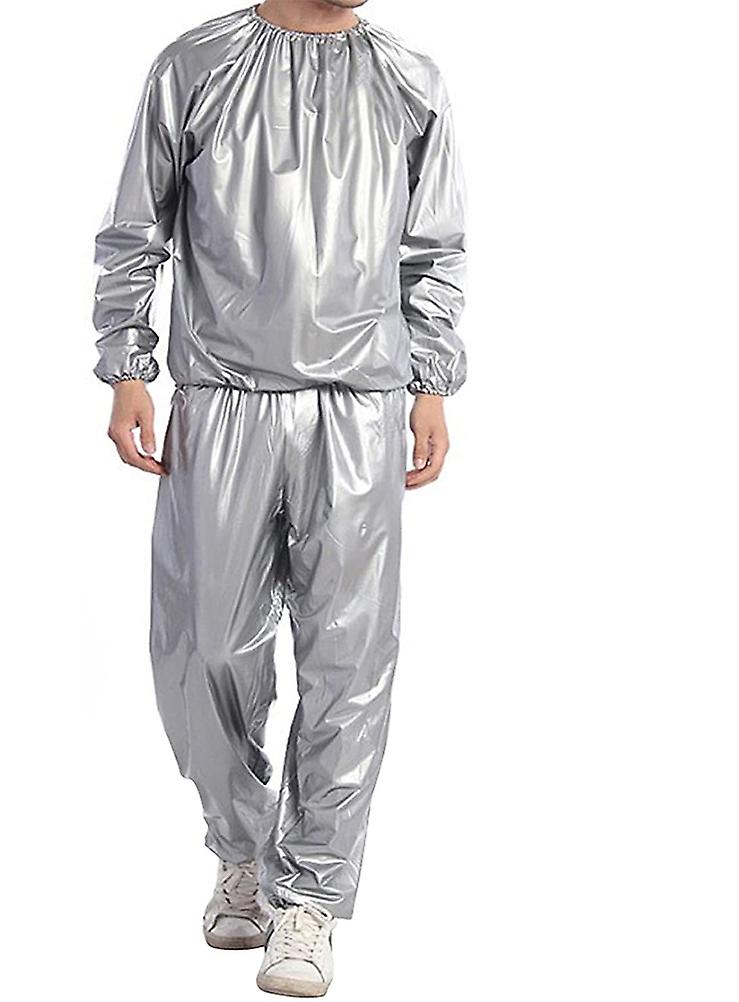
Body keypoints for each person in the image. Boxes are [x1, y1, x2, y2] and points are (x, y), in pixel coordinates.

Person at [92, 1, 466, 995]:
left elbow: (431, 248)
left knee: (350, 655)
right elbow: (136, 227)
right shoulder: (195, 65)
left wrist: (430, 383)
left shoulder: (411, 81)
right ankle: (242, 850)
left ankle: (309, 901)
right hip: (222, 398)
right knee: (206, 644)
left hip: (362, 403)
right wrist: (127, 364)